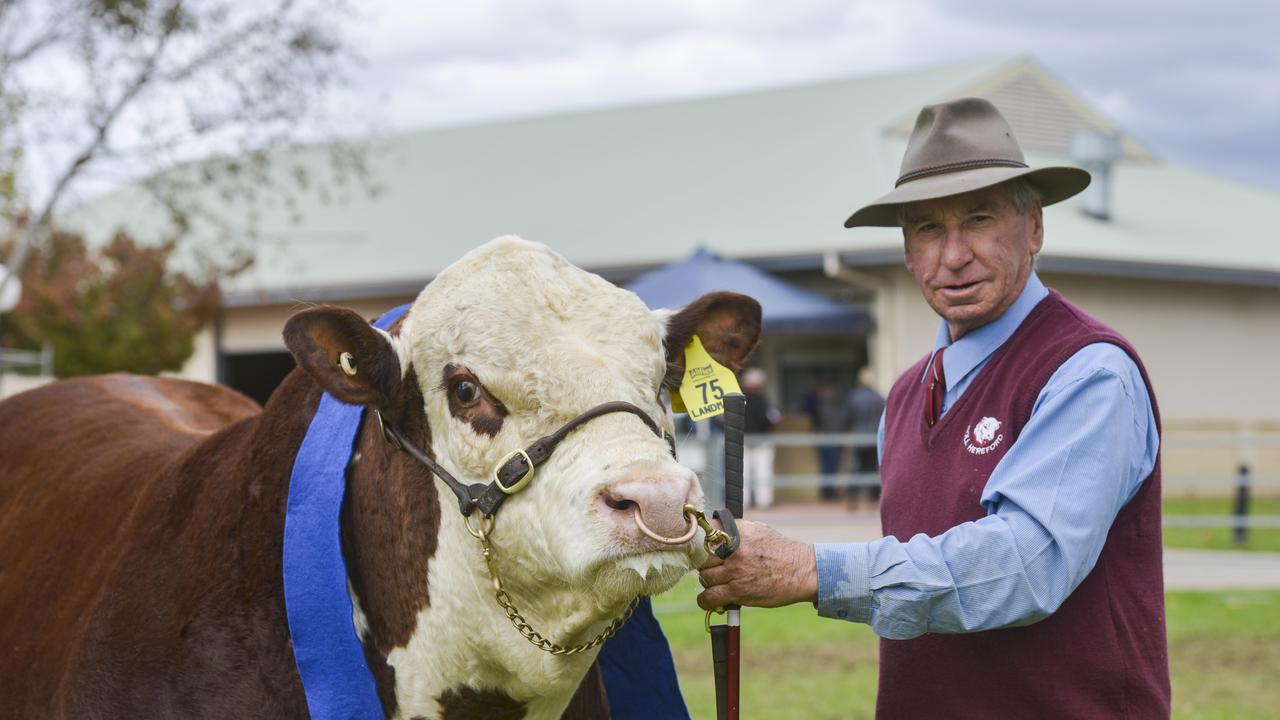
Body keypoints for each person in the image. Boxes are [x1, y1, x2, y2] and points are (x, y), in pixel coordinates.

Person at [697, 97, 1169, 718]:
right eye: (926, 228)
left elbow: (1026, 565)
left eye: (978, 219)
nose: (952, 256)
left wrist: (812, 569)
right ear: (905, 250)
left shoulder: (1088, 371)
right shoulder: (906, 391)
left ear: (1034, 228)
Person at [844, 367, 885, 509]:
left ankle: (852, 499)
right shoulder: (878, 397)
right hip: (873, 437)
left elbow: (848, 417)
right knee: (873, 468)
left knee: (856, 468)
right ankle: (873, 500)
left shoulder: (854, 397)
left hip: (859, 435)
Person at [741, 368, 781, 509]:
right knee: (763, 471)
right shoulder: (764, 400)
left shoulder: (739, 399)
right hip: (762, 439)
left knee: (742, 473)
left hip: (742, 440)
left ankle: (743, 502)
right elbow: (772, 418)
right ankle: (763, 501)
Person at [802, 379, 848, 501]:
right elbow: (844, 420)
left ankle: (826, 491)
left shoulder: (820, 405)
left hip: (823, 437)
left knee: (826, 466)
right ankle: (829, 491)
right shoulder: (838, 407)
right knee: (832, 466)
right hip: (835, 438)